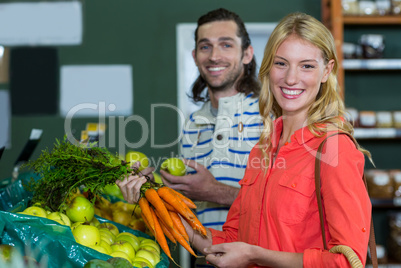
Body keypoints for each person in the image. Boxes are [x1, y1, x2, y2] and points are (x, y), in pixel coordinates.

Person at [118, 12, 373, 268]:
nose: (291, 78)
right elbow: (227, 242)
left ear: (327, 71)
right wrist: (150, 196)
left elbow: (348, 262)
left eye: (307, 65)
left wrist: (255, 255)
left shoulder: (334, 149)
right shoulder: (262, 149)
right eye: (281, 63)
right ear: (268, 67)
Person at [160, 7, 262, 231]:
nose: (214, 56)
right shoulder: (193, 124)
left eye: (226, 44)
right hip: (205, 258)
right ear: (195, 56)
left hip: (257, 262)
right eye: (205, 46)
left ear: (246, 54)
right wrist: (150, 188)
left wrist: (216, 191)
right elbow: (190, 201)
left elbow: (287, 206)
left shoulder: (272, 116)